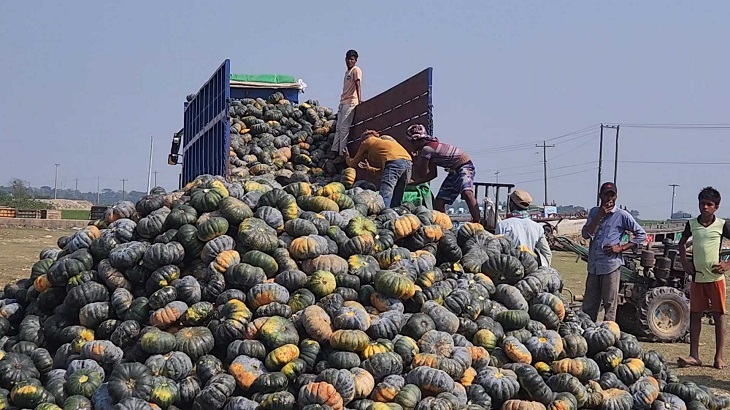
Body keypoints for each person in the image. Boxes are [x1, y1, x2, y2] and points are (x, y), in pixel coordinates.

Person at [677, 187, 730, 370]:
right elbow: (681, 243)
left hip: (716, 278)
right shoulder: (692, 224)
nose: (705, 207)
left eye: (709, 204)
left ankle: (718, 357)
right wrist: (684, 262)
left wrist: (727, 265)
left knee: (719, 316)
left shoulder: (722, 224)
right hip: (698, 278)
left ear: (716, 207)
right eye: (702, 204)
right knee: (695, 315)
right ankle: (694, 355)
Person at [580, 182, 647, 322]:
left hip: (610, 266)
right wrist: (599, 216)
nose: (609, 198)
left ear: (616, 197)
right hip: (594, 266)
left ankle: (608, 334)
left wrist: (621, 247)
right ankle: (587, 334)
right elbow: (586, 234)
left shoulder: (622, 215)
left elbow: (641, 235)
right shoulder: (593, 212)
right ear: (600, 196)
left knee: (610, 304)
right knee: (589, 305)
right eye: (606, 194)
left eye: (612, 195)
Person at [405, 124, 480, 223]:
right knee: (439, 202)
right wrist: (414, 183)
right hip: (454, 171)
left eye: (412, 143)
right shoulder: (429, 149)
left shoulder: (426, 150)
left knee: (467, 192)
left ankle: (477, 221)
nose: (411, 146)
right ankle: (445, 225)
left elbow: (422, 172)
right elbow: (432, 174)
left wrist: (415, 159)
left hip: (464, 166)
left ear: (417, 141)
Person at [344, 130, 412, 208]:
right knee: (398, 193)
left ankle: (383, 213)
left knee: (386, 192)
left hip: (394, 162)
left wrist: (347, 157)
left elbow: (353, 163)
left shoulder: (367, 141)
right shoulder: (384, 145)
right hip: (408, 163)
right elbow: (386, 171)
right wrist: (370, 169)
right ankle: (394, 212)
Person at [498, 189, 553, 266]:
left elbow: (496, 252)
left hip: (508, 269)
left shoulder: (502, 225)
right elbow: (547, 253)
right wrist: (543, 271)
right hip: (530, 269)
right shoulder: (537, 227)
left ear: (512, 204)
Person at [330, 49, 362, 162]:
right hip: (343, 102)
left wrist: (360, 99)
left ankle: (341, 154)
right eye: (348, 59)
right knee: (338, 128)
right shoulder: (346, 73)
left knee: (344, 129)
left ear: (355, 61)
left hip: (351, 102)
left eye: (352, 59)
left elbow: (358, 84)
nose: (349, 61)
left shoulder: (356, 70)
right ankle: (334, 150)